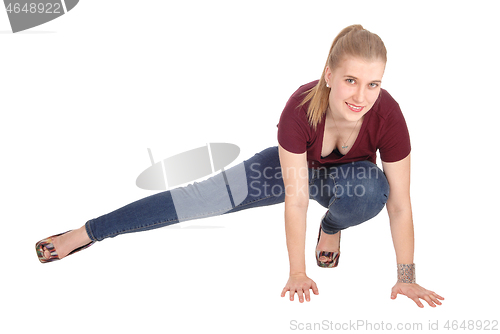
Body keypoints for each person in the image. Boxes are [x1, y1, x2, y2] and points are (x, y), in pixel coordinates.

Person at [36, 24, 444, 308]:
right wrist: (297, 271)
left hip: (350, 185)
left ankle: (332, 228)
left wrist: (405, 277)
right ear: (329, 75)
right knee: (192, 199)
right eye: (351, 80)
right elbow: (297, 200)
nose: (362, 95)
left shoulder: (388, 115)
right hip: (289, 171)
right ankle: (87, 232)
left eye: (373, 83)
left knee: (373, 189)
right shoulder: (300, 109)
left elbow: (401, 206)